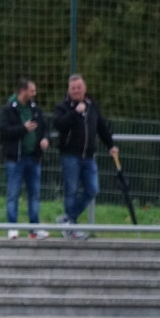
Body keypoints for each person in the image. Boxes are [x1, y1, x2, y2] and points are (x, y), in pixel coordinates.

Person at [53, 73, 118, 239]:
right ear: (69, 90)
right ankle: (70, 227)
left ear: (85, 88)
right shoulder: (63, 106)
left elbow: (101, 127)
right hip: (70, 155)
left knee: (93, 189)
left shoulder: (91, 105)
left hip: (88, 156)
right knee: (71, 190)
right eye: (73, 88)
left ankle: (68, 219)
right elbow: (59, 124)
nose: (76, 91)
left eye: (79, 87)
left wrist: (110, 145)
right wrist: (75, 113)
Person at [0, 78, 50, 240]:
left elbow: (44, 127)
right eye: (32, 91)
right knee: (13, 194)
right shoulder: (8, 109)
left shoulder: (35, 109)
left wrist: (45, 138)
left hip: (33, 159)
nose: (34, 94)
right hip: (16, 160)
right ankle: (12, 228)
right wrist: (23, 129)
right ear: (22, 91)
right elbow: (4, 131)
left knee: (34, 194)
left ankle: (34, 229)